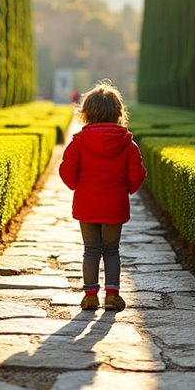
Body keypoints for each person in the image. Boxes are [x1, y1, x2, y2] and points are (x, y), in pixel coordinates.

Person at [59, 80, 147, 311]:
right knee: (111, 249)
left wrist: (80, 186)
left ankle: (89, 296)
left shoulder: (79, 142)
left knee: (90, 249)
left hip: (87, 203)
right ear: (118, 113)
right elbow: (138, 174)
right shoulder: (127, 143)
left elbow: (66, 171)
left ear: (86, 113)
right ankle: (112, 295)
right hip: (114, 204)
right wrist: (123, 190)